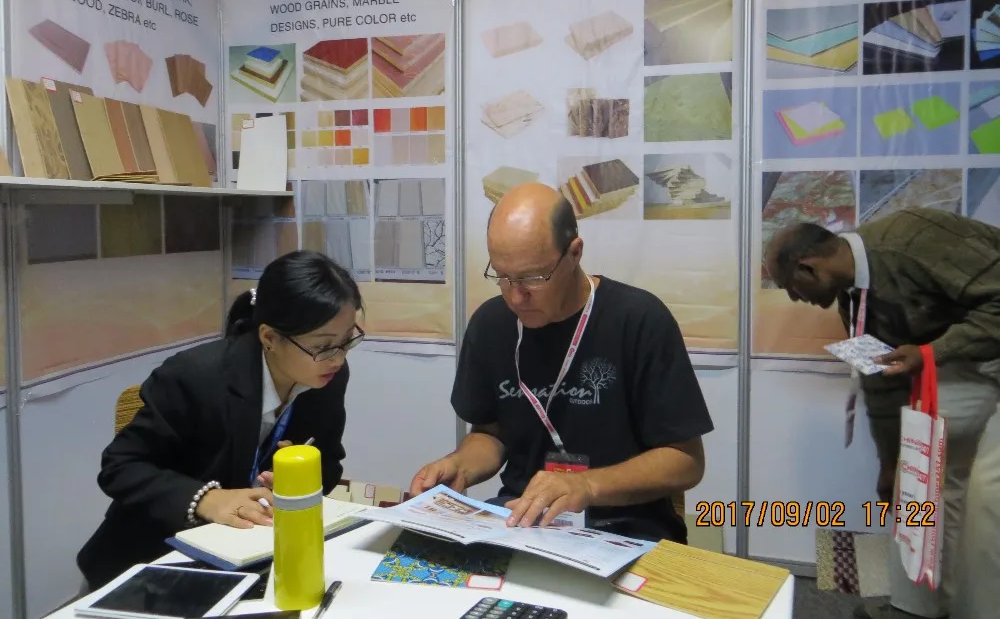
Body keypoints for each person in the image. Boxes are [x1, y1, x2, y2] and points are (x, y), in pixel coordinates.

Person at [410, 183, 713, 543]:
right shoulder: (491, 325)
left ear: (574, 254)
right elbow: (491, 434)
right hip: (523, 520)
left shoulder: (638, 320)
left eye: (532, 278)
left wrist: (586, 485)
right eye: (503, 276)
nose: (516, 297)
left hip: (626, 526)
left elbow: (686, 461)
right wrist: (459, 466)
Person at [76, 250, 364, 590]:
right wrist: (206, 499)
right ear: (269, 338)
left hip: (249, 558)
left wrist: (296, 482)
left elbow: (329, 461)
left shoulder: (327, 378)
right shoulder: (196, 376)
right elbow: (120, 466)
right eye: (324, 346)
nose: (338, 359)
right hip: (150, 566)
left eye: (347, 340)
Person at [764, 208, 1000, 619]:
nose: (795, 299)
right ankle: (916, 610)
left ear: (809, 267)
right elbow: (883, 381)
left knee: (987, 498)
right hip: (968, 367)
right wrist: (891, 462)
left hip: (983, 362)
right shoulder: (853, 299)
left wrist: (932, 352)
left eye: (791, 287)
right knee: (920, 485)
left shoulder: (912, 240)